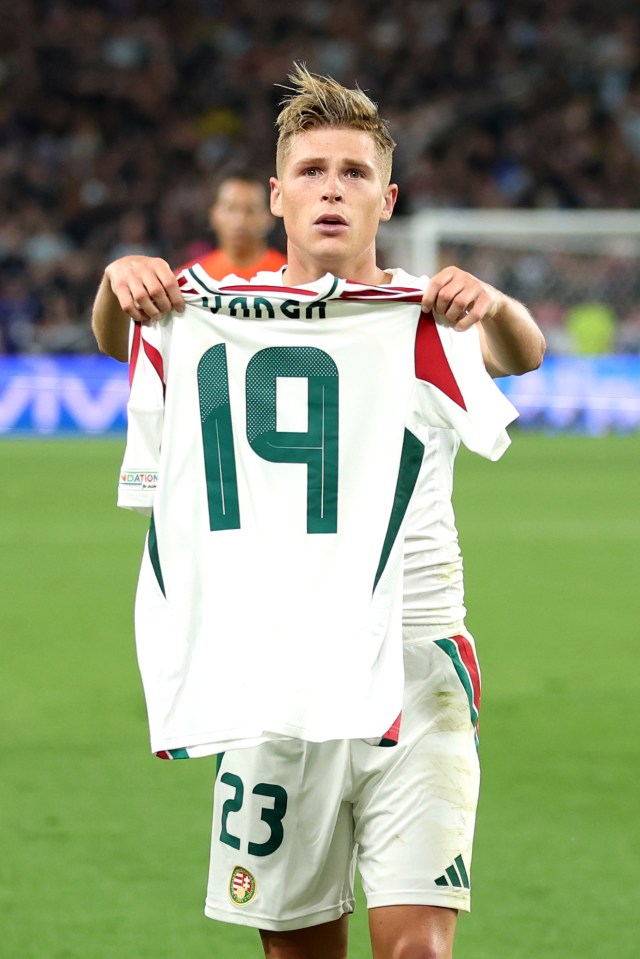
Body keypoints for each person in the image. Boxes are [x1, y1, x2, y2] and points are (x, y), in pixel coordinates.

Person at [93, 64, 545, 959]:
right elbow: (121, 338)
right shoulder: (209, 310)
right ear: (275, 195)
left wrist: (491, 303)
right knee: (295, 948)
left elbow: (520, 353)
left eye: (354, 172)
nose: (332, 188)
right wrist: (117, 283)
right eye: (311, 170)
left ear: (388, 198)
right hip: (270, 668)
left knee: (417, 947)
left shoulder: (424, 313)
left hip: (417, 657)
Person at [92, 167, 286, 362]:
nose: (239, 220)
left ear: (269, 218)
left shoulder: (292, 277)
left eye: (250, 210)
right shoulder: (184, 281)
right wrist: (111, 280)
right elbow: (119, 349)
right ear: (214, 214)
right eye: (231, 209)